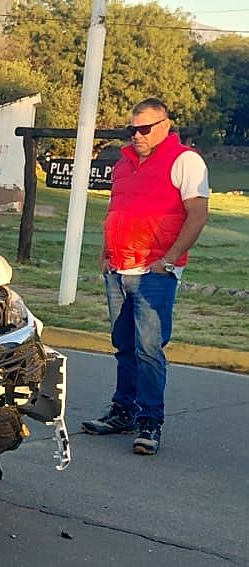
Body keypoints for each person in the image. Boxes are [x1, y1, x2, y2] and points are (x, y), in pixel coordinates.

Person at [81, 98, 210, 456]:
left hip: (155, 271)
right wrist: (105, 253)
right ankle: (124, 411)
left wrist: (168, 260)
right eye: (132, 129)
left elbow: (197, 214)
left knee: (149, 349)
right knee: (124, 346)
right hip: (118, 267)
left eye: (145, 128)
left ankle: (150, 420)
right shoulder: (123, 164)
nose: (137, 135)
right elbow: (117, 208)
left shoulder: (185, 160)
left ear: (165, 125)